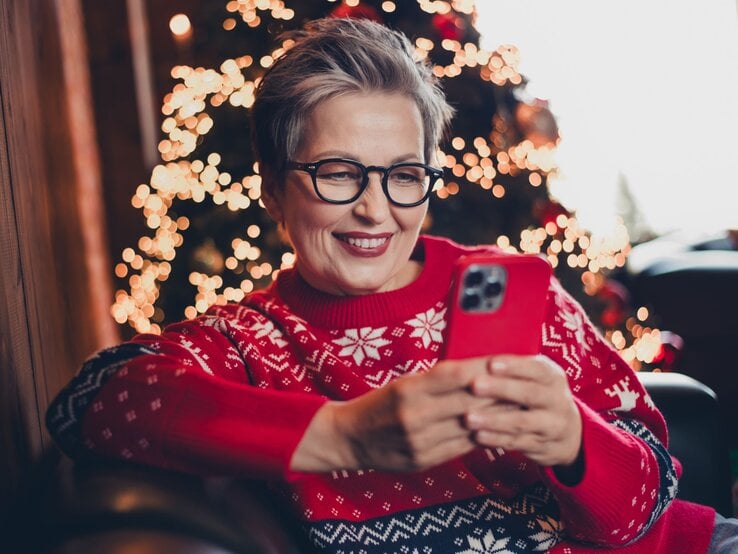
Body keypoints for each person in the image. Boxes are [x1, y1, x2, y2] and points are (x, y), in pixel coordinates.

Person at [46, 17, 728, 553]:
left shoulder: (516, 291)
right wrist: (342, 435)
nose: (377, 209)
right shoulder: (250, 342)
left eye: (404, 175)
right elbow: (91, 404)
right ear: (276, 193)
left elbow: (649, 504)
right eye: (339, 173)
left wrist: (578, 443)